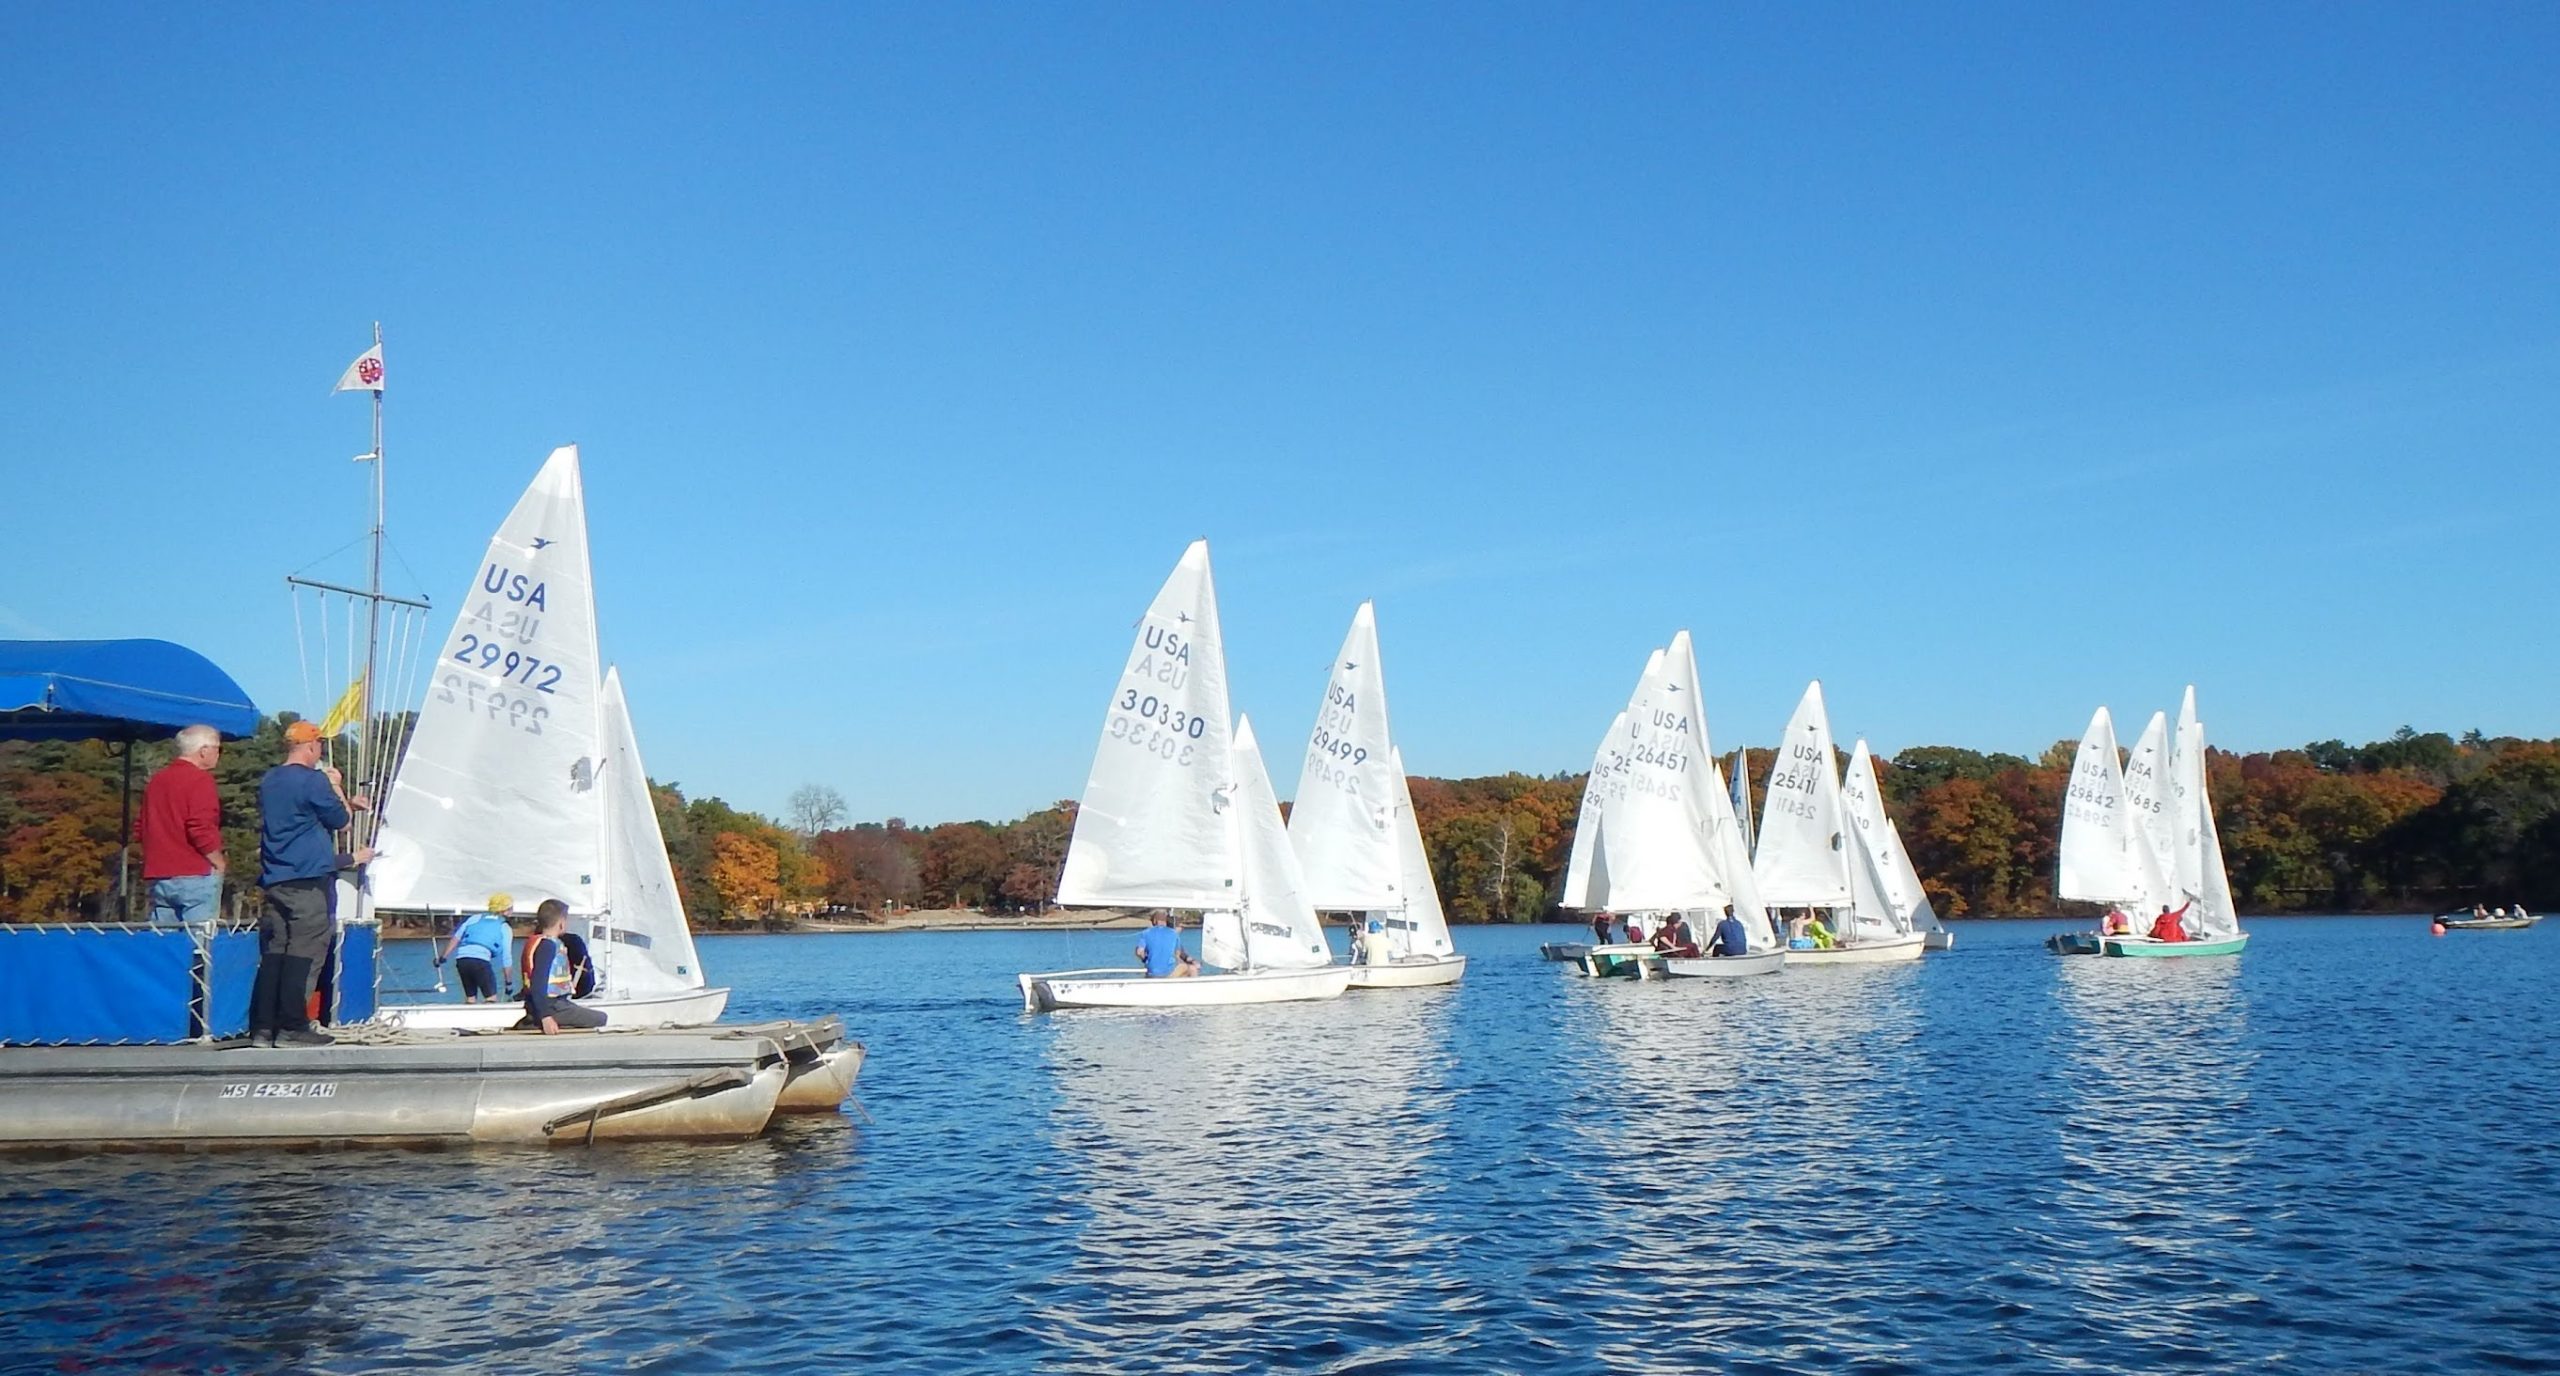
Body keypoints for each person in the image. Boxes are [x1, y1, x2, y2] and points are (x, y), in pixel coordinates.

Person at [250, 720, 367, 1047]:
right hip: (307, 879)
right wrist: (337, 789)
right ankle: (292, 1026)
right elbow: (341, 822)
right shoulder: (313, 781)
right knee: (305, 953)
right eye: (319, 747)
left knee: (277, 952)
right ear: (311, 747)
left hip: (276, 878)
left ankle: (263, 1027)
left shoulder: (270, 779)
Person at [138, 724, 227, 931]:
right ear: (203, 750)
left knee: (163, 947)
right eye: (218, 748)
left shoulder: (157, 780)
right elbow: (200, 827)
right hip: (196, 872)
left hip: (159, 873)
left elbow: (141, 826)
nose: (218, 754)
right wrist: (217, 861)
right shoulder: (200, 780)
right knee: (198, 946)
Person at [520, 899, 606, 1032]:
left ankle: (535, 1019)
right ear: (561, 923)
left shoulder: (538, 942)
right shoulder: (548, 946)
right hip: (554, 1006)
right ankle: (540, 1021)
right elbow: (538, 982)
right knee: (601, 1018)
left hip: (544, 1005)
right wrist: (546, 1016)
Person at [439, 895, 517, 1004]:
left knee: (470, 997)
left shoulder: (475, 918)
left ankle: (468, 1015)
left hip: (462, 959)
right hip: (480, 961)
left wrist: (443, 957)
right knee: (491, 998)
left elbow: (456, 937)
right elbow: (507, 958)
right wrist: (508, 983)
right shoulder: (504, 927)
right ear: (505, 911)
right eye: (511, 908)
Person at [1134, 912, 1181, 978]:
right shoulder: (1174, 933)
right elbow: (1177, 953)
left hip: (1152, 971)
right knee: (1188, 968)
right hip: (1170, 971)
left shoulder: (1146, 933)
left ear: (1154, 921)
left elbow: (1139, 952)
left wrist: (1145, 960)